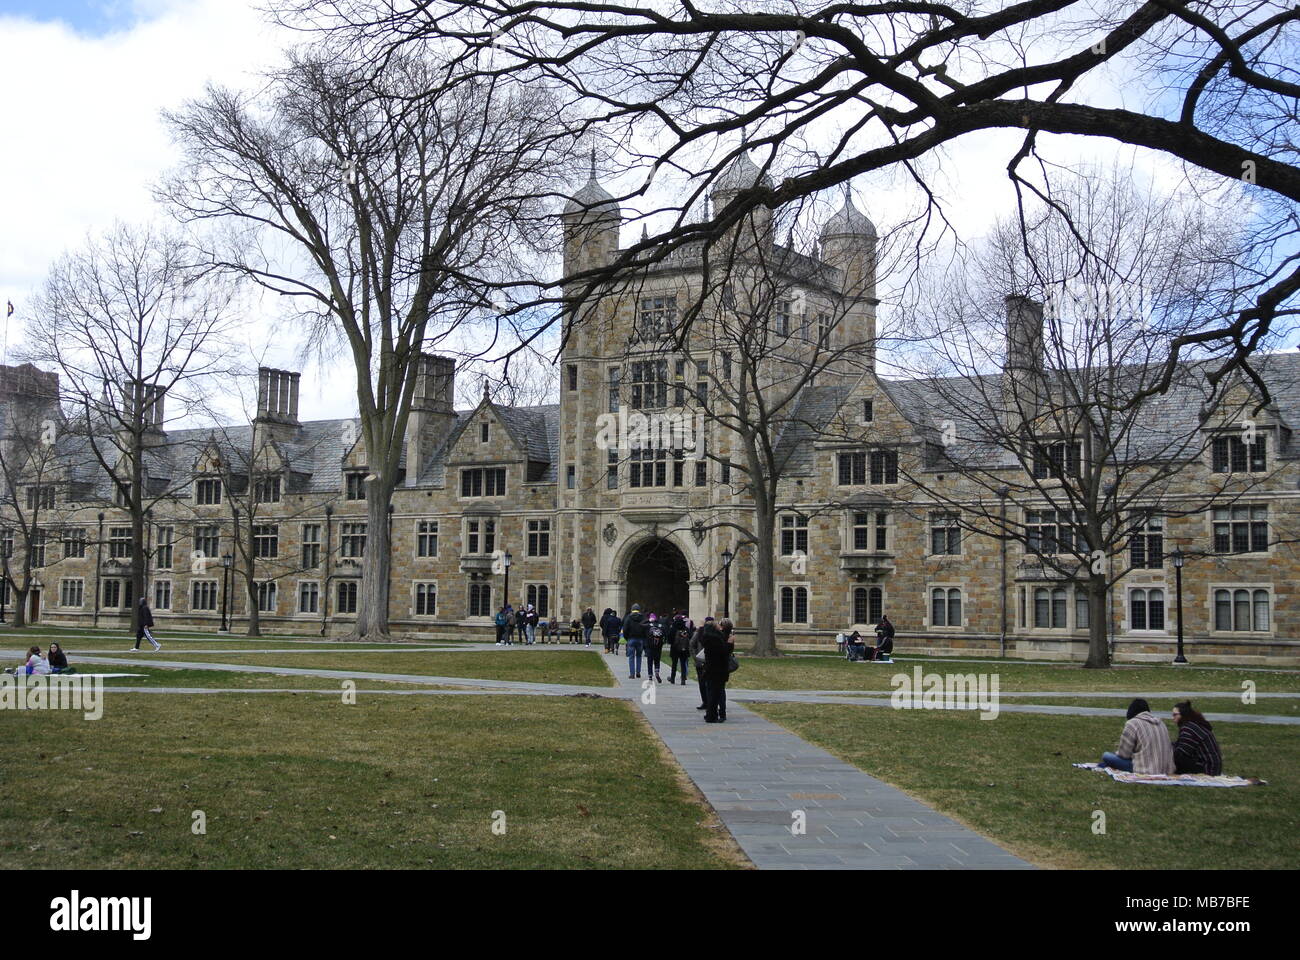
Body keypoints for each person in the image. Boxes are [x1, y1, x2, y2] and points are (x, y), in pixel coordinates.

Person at [1098, 699, 1175, 774]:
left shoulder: (1132, 723)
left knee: (1106, 756)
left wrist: (1117, 754)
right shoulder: (1161, 723)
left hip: (1146, 769)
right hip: (1166, 769)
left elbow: (1124, 755)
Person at [1171, 701, 1223, 776]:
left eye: (1175, 715)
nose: (1173, 718)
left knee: (1177, 760)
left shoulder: (1188, 728)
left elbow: (1181, 753)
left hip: (1207, 769)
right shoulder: (1194, 725)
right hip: (1213, 767)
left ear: (1183, 714)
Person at [701, 617, 735, 723]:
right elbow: (723, 653)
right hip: (717, 669)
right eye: (716, 624)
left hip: (712, 668)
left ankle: (711, 714)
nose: (718, 625)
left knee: (712, 692)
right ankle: (711, 716)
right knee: (714, 694)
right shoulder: (714, 639)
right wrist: (729, 643)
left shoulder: (710, 637)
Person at [623, 603, 648, 679]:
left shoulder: (628, 617)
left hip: (631, 638)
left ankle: (632, 674)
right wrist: (644, 637)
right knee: (639, 656)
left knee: (631, 657)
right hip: (640, 639)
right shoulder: (643, 617)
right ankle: (638, 672)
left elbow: (625, 629)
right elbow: (645, 628)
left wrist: (627, 638)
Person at [691, 617, 712, 709]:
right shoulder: (699, 633)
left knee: (705, 683)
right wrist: (696, 657)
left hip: (707, 662)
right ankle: (706, 701)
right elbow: (692, 644)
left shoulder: (711, 633)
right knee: (703, 683)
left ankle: (708, 702)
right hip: (702, 662)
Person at [667, 610, 692, 685]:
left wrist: (673, 643)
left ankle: (672, 678)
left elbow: (669, 639)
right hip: (684, 649)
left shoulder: (673, 628)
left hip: (675, 648)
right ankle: (683, 679)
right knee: (683, 664)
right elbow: (690, 637)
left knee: (674, 664)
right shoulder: (686, 629)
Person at [645, 613, 666, 683]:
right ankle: (657, 671)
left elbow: (641, 627)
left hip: (650, 646)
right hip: (658, 646)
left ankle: (650, 675)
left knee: (650, 661)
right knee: (657, 660)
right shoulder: (661, 626)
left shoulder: (648, 625)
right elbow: (664, 634)